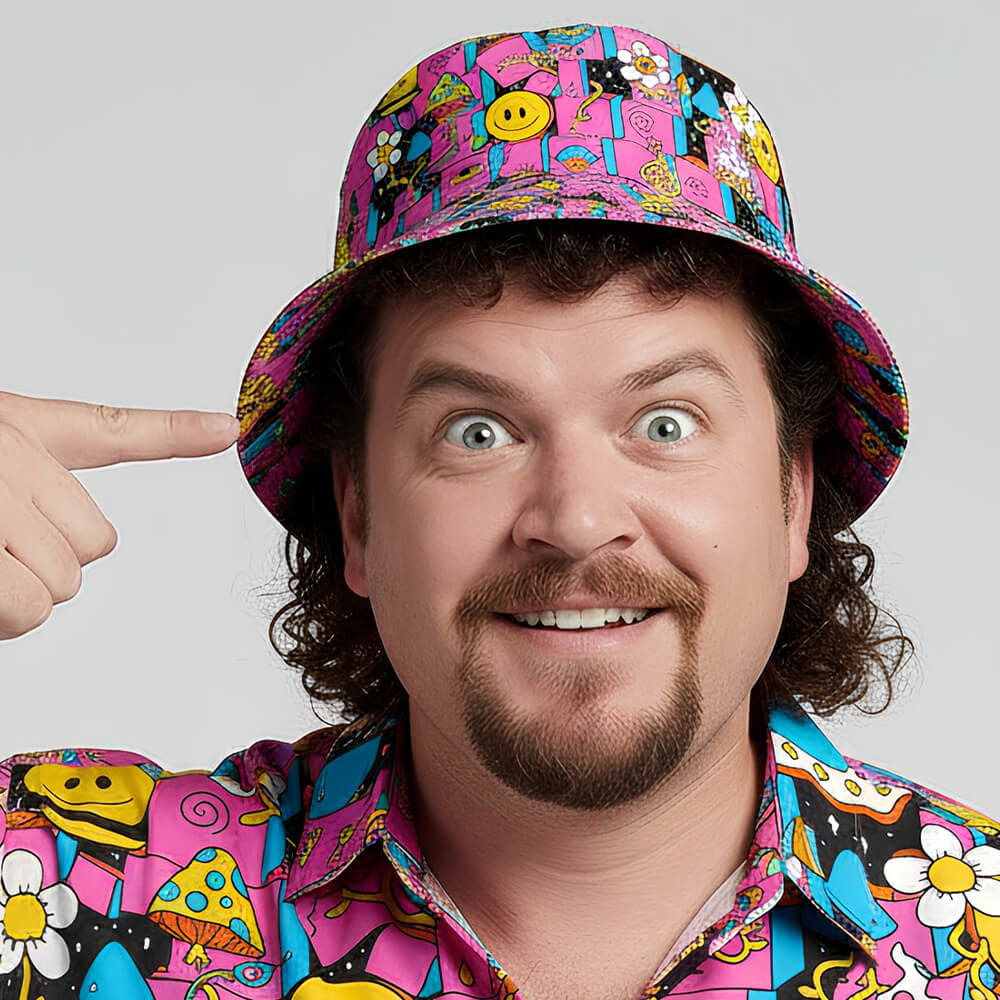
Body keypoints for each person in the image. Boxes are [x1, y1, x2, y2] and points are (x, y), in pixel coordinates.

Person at [0, 19, 988, 1000]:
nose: (574, 516)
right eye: (476, 431)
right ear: (355, 511)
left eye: (666, 422)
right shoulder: (65, 893)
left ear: (791, 494)